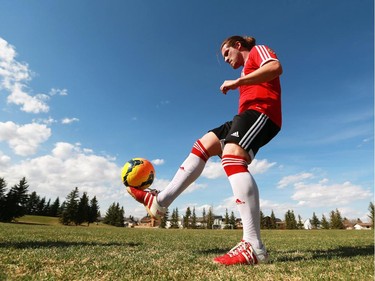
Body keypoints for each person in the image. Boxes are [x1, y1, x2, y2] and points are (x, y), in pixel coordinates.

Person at [127, 35, 282, 266]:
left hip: (262, 113)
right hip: (244, 115)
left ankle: (254, 246)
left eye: (227, 53)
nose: (226, 59)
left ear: (238, 46)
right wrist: (241, 81)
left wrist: (238, 82)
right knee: (203, 144)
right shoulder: (244, 72)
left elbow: (275, 67)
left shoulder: (258, 51)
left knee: (232, 158)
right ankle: (160, 202)